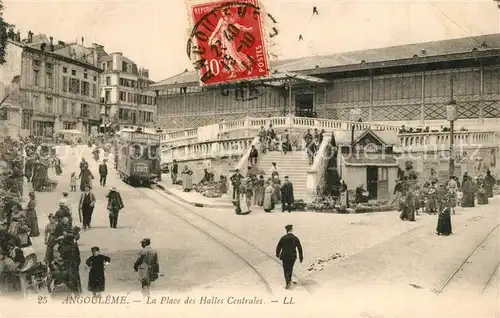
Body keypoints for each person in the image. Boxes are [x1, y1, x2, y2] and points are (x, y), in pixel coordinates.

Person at [275, 224, 303, 290]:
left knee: (285, 269)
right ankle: (289, 280)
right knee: (290, 268)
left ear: (286, 230)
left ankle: (287, 282)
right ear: (291, 230)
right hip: (292, 257)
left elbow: (279, 246)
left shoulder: (283, 238)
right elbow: (299, 248)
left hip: (285, 256)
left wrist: (277, 254)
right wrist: (301, 257)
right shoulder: (295, 238)